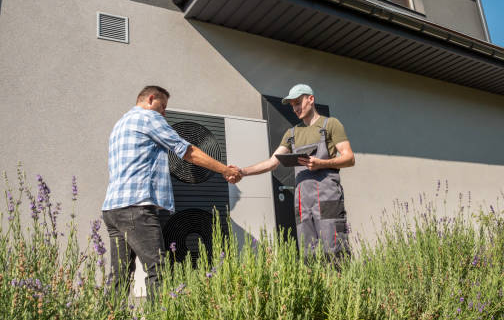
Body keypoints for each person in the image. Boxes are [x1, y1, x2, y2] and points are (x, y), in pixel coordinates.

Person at [101, 85, 241, 299]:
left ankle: (109, 313)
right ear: (150, 99)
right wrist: (224, 170)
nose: (164, 113)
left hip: (112, 209)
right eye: (163, 106)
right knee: (158, 270)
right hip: (136, 207)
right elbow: (187, 151)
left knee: (119, 274)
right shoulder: (149, 118)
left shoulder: (120, 124)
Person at [240, 84, 355, 259]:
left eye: (298, 102)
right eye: (292, 105)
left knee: (334, 250)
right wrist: (243, 172)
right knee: (309, 253)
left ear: (311, 99)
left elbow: (349, 158)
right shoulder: (291, 134)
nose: (295, 108)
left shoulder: (330, 124)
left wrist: (321, 163)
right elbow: (272, 162)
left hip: (327, 197)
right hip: (303, 203)